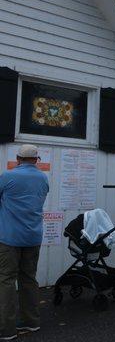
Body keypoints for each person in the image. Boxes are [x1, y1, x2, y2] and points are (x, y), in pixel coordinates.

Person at [0, 144, 49, 340]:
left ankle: (6, 330)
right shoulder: (43, 178)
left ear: (18, 158)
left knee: (6, 280)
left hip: (9, 238)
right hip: (33, 236)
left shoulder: (7, 176)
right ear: (36, 160)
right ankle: (31, 322)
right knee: (29, 278)